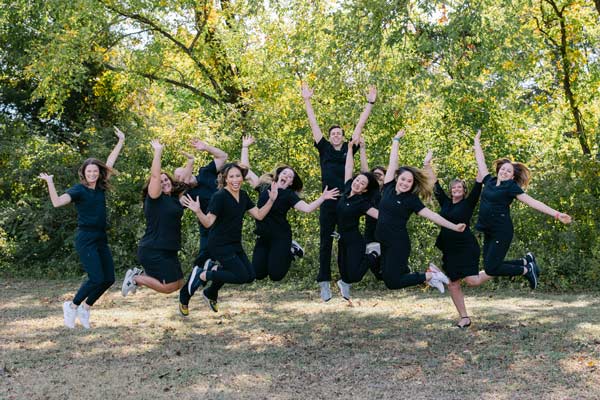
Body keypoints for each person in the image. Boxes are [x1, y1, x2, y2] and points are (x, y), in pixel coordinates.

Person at [39, 127, 125, 329]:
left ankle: (85, 308)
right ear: (84, 173)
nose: (93, 173)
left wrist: (120, 141)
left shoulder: (102, 185)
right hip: (86, 238)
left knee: (108, 279)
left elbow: (110, 162)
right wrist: (50, 182)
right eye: (89, 171)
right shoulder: (78, 190)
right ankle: (71, 305)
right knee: (96, 278)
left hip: (100, 237)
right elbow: (58, 202)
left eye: (95, 171)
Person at [301, 82, 377, 301]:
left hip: (348, 201)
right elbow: (313, 124)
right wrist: (307, 100)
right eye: (333, 133)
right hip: (328, 200)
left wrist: (370, 103)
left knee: (348, 242)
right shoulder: (323, 148)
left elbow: (360, 127)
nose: (336, 135)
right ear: (329, 136)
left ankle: (345, 281)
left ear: (343, 137)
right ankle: (324, 282)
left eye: (339, 133)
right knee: (326, 241)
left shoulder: (348, 149)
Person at [473, 130, 572, 292]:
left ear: (512, 177)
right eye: (503, 169)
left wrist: (557, 214)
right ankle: (526, 261)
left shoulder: (510, 187)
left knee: (491, 269)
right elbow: (480, 162)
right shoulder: (489, 181)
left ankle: (526, 269)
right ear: (498, 170)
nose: (504, 172)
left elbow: (532, 202)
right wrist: (476, 142)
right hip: (488, 230)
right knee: (491, 266)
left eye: (508, 171)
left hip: (501, 230)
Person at [376, 130, 466, 293]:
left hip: (398, 244)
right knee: (389, 281)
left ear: (412, 184)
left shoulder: (411, 200)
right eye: (403, 179)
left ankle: (431, 275)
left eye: (409, 181)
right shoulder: (388, 186)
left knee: (393, 282)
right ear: (397, 178)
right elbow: (393, 161)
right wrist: (396, 140)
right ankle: (430, 276)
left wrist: (454, 227)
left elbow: (433, 216)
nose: (405, 183)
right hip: (385, 242)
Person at [240, 135, 340, 282]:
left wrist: (322, 198)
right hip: (263, 236)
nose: (287, 175)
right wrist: (245, 147)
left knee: (276, 275)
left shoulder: (288, 195)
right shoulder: (264, 187)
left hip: (280, 236)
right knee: (258, 274)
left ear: (291, 182)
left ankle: (290, 249)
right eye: (285, 173)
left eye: (290, 176)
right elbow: (245, 172)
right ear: (279, 175)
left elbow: (307, 208)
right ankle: (288, 249)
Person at [182, 162, 278, 312]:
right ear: (225, 179)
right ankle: (203, 274)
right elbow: (208, 223)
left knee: (250, 276)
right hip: (219, 244)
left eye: (238, 176)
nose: (235, 179)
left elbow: (259, 215)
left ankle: (210, 289)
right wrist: (198, 211)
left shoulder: (244, 195)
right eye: (231, 176)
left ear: (242, 178)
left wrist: (271, 200)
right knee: (240, 276)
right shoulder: (219, 196)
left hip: (234, 243)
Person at [424, 150, 491, 328]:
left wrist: (479, 155)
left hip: (466, 247)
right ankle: (464, 317)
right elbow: (434, 183)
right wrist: (427, 164)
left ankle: (498, 269)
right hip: (449, 248)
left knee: (472, 281)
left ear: (464, 190)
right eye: (453, 188)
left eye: (459, 187)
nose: (456, 190)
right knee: (453, 284)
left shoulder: (468, 203)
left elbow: (479, 180)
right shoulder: (445, 202)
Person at [121, 140, 188, 297]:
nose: (164, 182)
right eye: (161, 181)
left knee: (179, 283)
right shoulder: (154, 198)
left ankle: (139, 274)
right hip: (153, 249)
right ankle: (136, 278)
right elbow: (155, 175)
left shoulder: (174, 199)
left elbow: (186, 178)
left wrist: (191, 160)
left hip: (170, 249)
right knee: (168, 287)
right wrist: (158, 151)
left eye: (167, 180)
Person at [177, 139, 228, 316]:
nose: (182, 176)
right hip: (208, 232)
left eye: (183, 171)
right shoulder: (186, 196)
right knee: (202, 265)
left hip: (227, 228)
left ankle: (211, 292)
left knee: (232, 265)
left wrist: (206, 147)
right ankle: (185, 296)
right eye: (179, 177)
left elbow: (223, 156)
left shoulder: (206, 172)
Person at [334, 137, 380, 302]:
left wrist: (397, 215)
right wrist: (350, 147)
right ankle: (344, 285)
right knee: (345, 275)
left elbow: (379, 215)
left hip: (354, 240)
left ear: (365, 189)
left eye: (363, 184)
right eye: (358, 180)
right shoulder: (346, 189)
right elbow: (348, 167)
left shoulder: (362, 202)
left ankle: (373, 253)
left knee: (355, 276)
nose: (358, 183)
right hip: (342, 239)